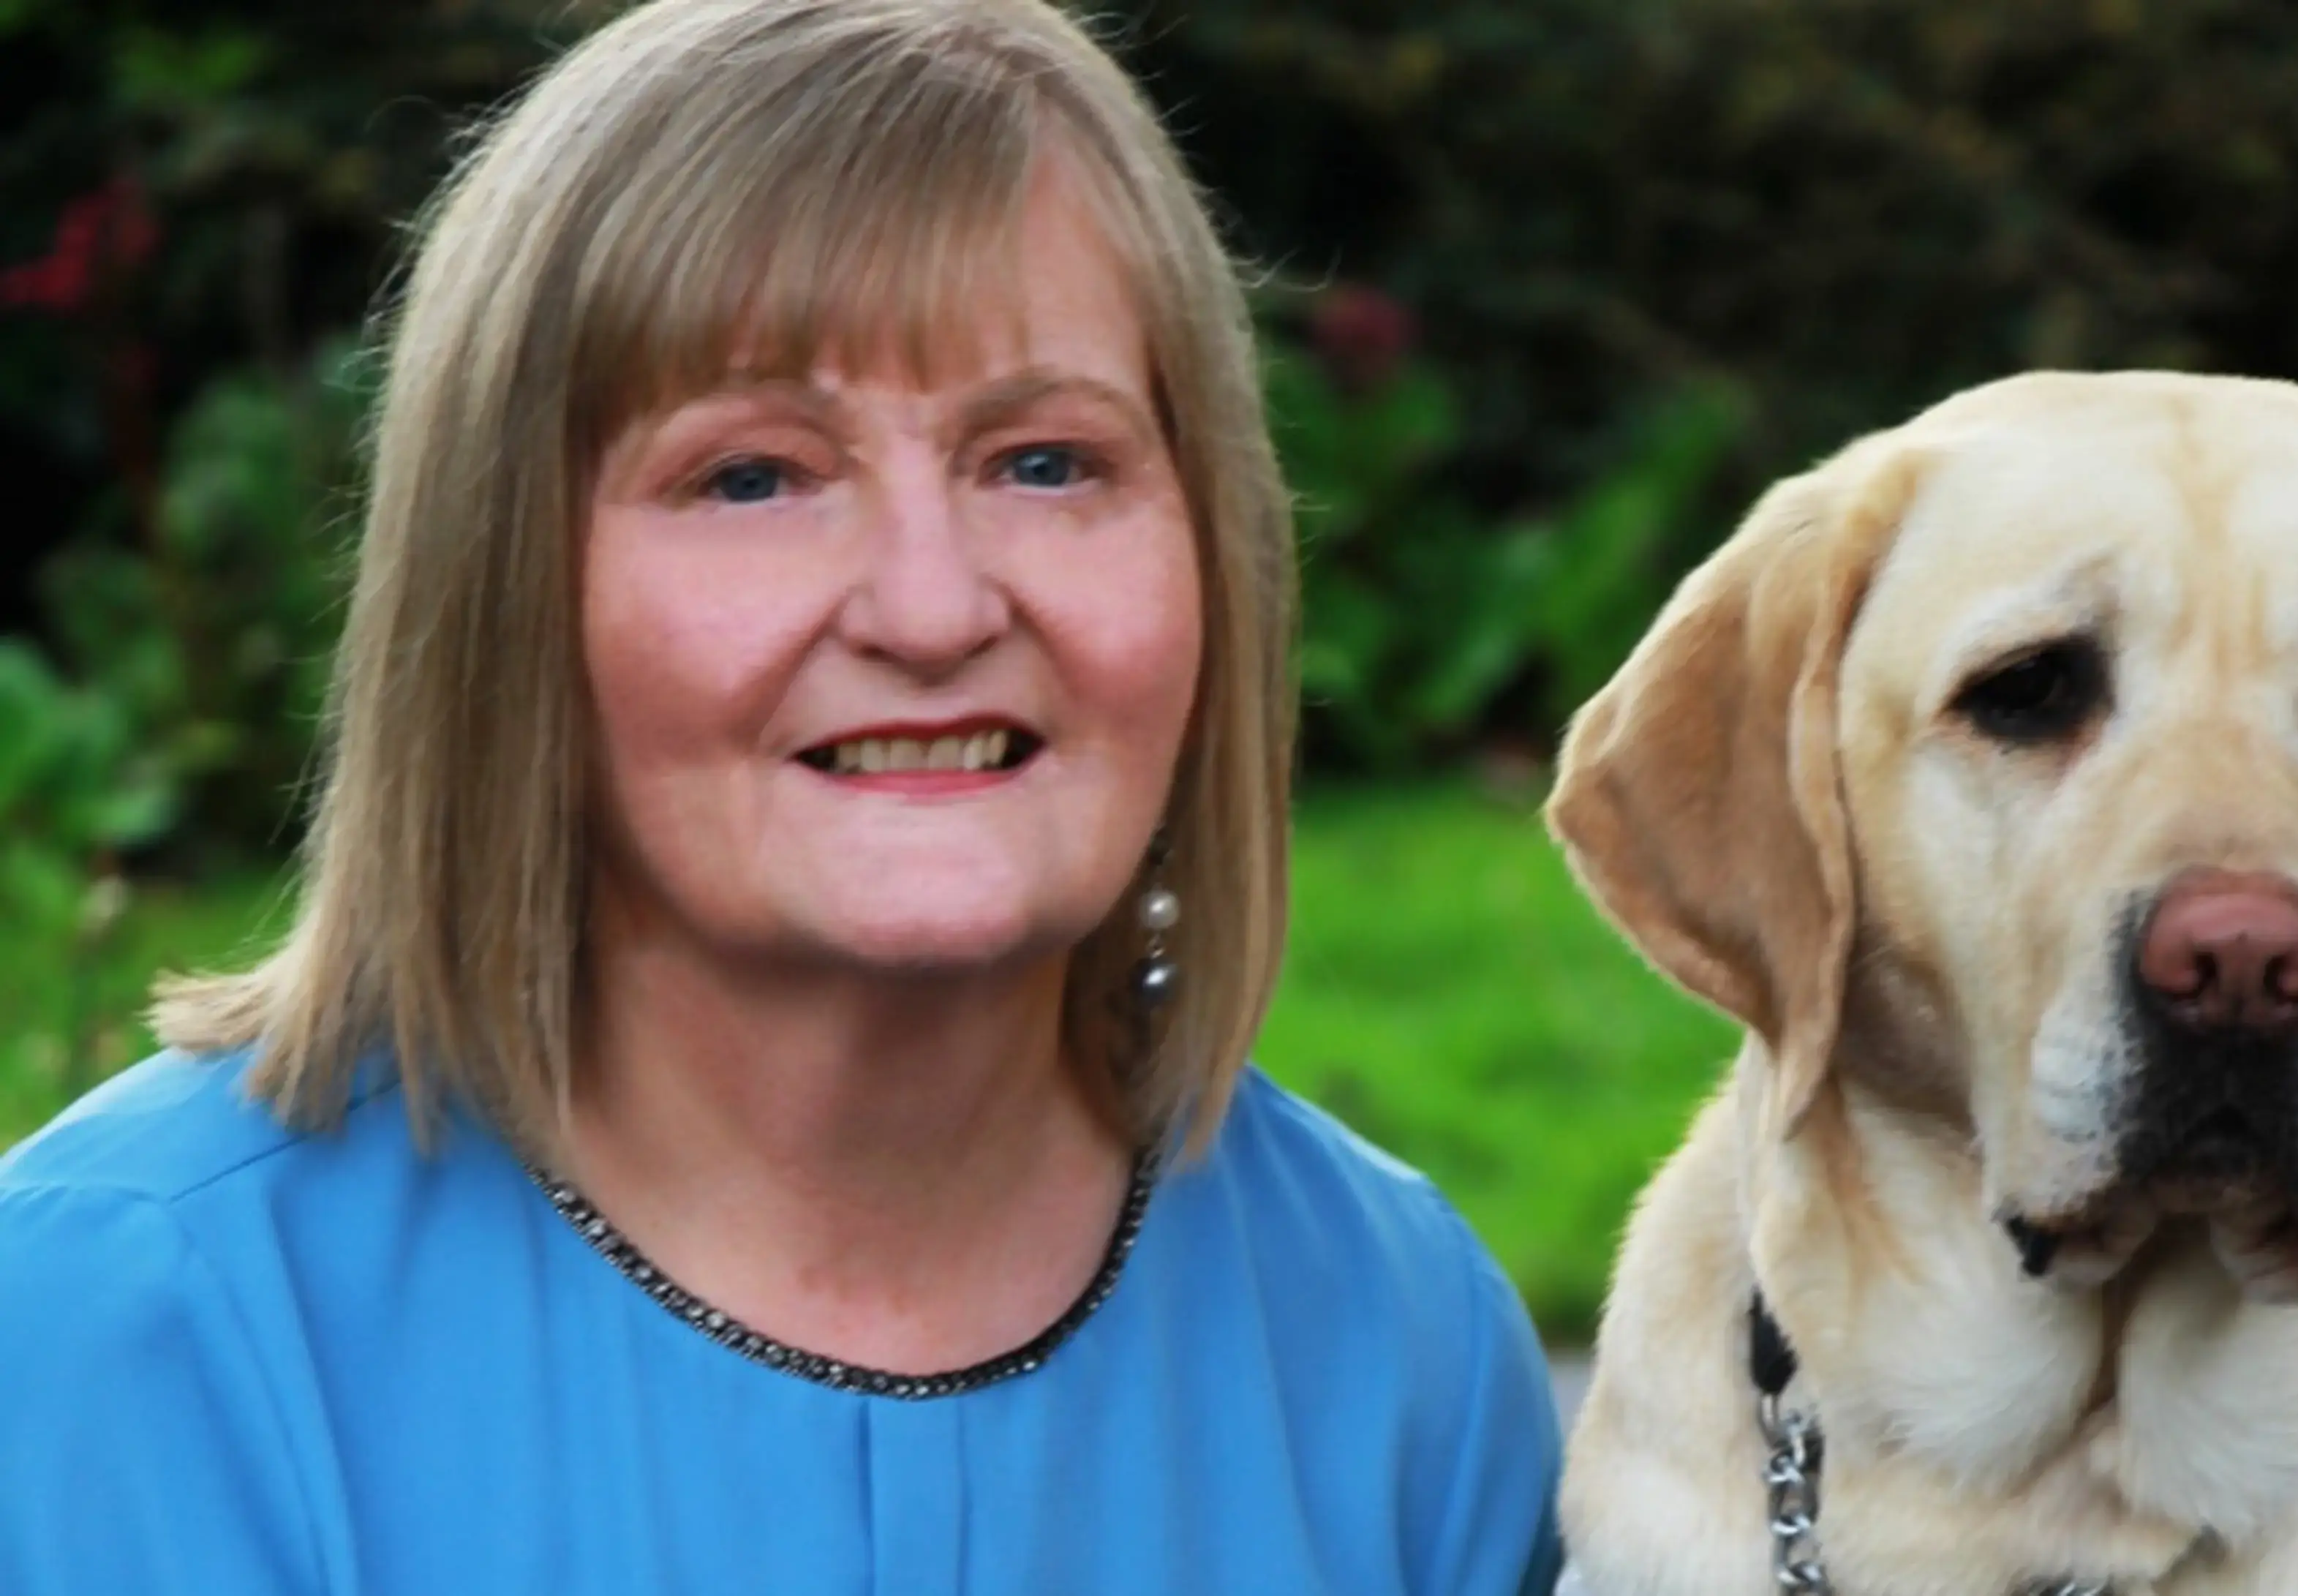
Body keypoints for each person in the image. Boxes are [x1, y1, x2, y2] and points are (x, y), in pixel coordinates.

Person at [0, 1, 1563, 1591]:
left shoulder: (1395, 1346)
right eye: (753, 475)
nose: (934, 607)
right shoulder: (134, 1329)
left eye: (1044, 461)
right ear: (503, 595)